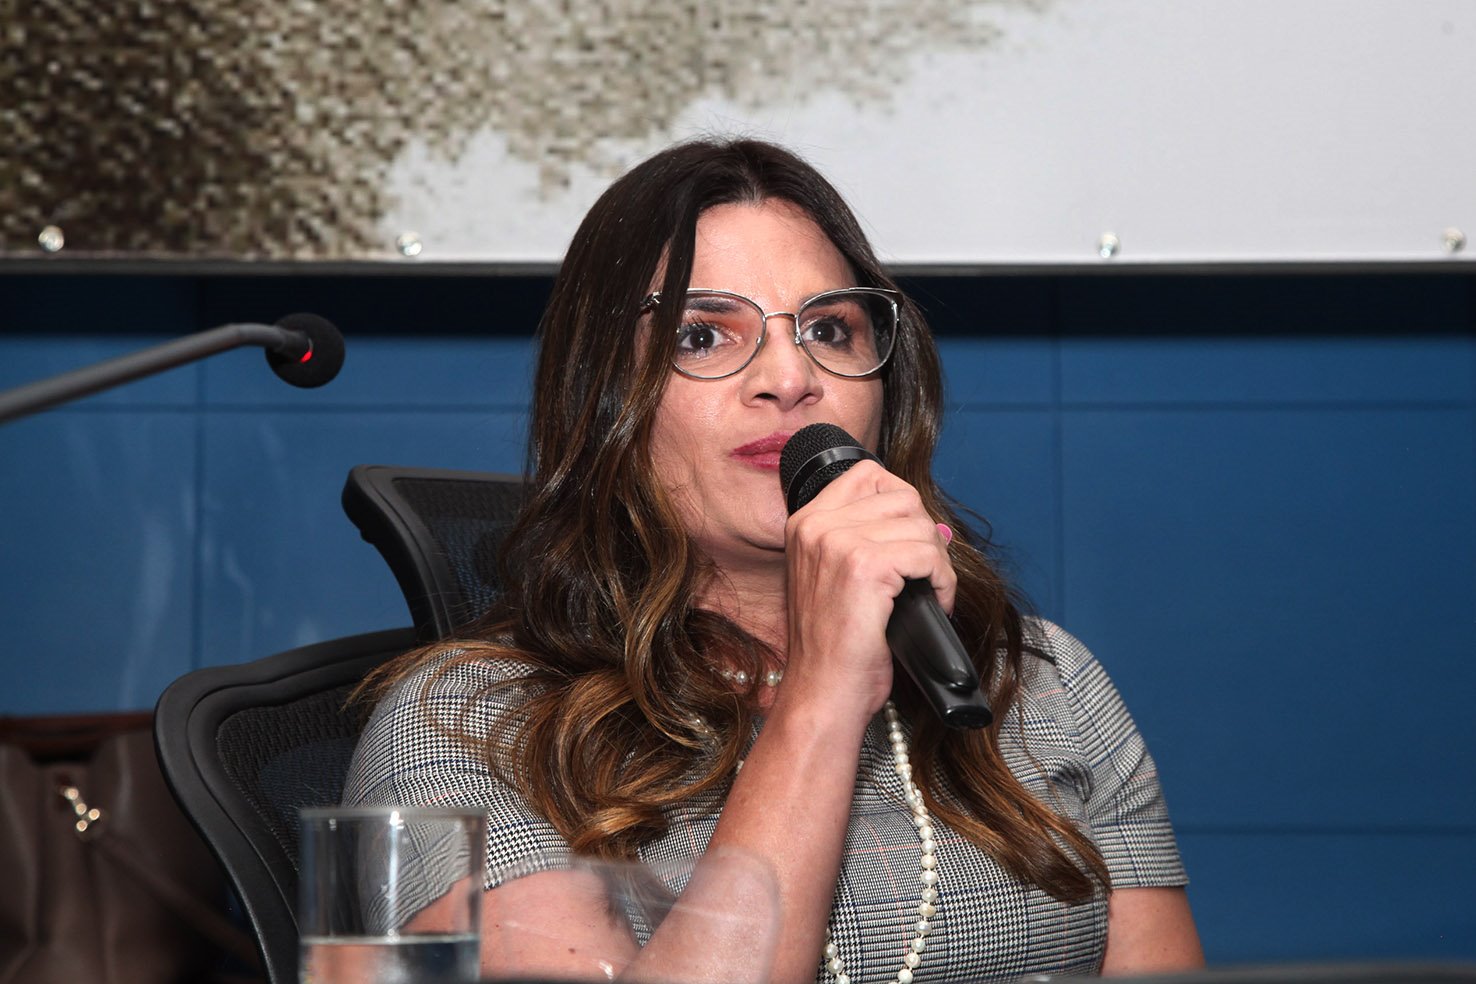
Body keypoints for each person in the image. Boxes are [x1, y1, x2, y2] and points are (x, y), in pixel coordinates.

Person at [344, 138, 1203, 983]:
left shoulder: (1043, 682)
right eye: (702, 336)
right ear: (602, 397)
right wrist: (824, 696)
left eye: (829, 328)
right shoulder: (461, 727)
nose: (790, 378)